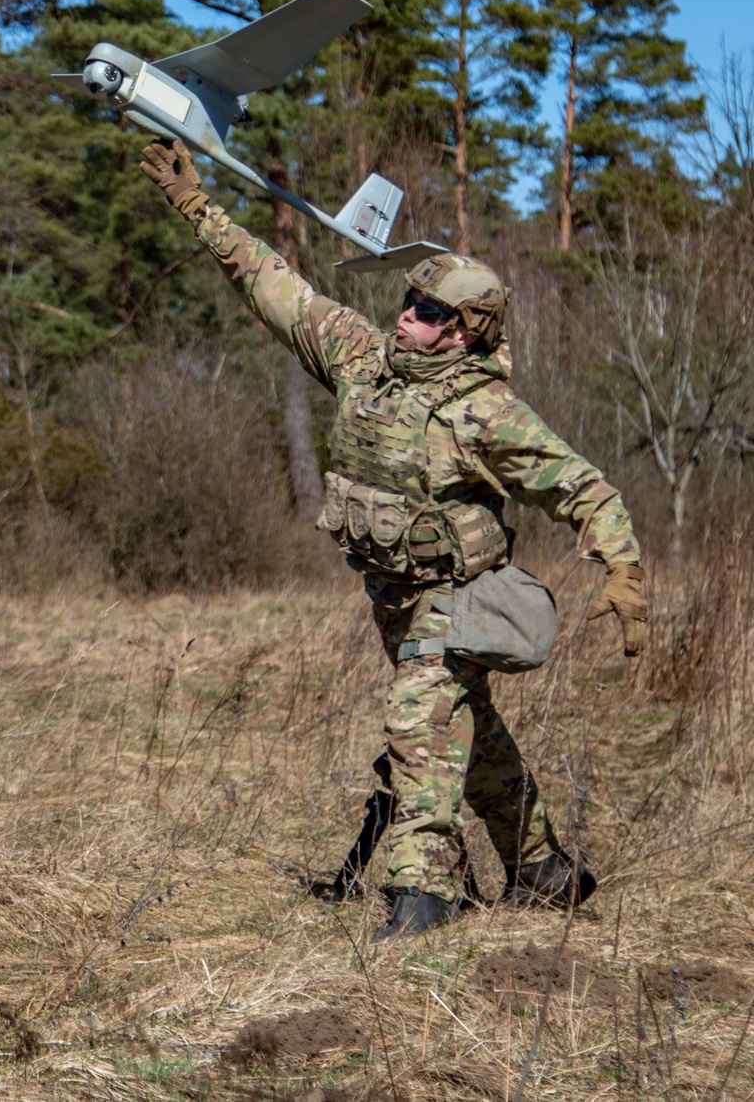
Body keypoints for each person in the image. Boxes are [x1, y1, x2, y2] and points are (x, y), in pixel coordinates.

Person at [140, 140, 647, 941]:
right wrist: (198, 209)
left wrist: (622, 570)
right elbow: (277, 290)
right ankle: (545, 870)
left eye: (430, 312)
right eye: (409, 302)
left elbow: (581, 485)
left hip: (459, 602)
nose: (407, 317)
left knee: (418, 726)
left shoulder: (486, 412)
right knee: (463, 733)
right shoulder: (361, 362)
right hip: (394, 598)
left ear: (467, 332)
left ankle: (423, 899)